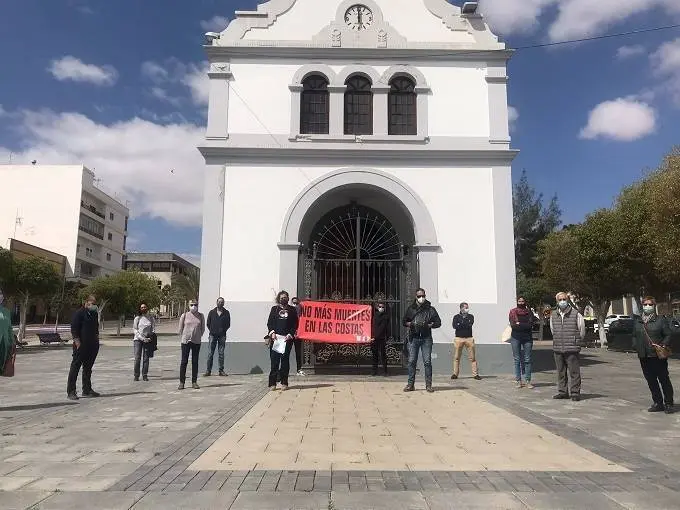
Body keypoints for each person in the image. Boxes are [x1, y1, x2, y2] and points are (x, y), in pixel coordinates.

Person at [632, 296, 674, 414]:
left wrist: (663, 345)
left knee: (663, 379)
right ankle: (658, 403)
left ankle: (669, 403)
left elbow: (668, 334)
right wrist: (635, 345)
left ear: (654, 306)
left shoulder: (660, 320)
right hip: (644, 355)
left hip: (657, 355)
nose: (647, 306)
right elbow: (634, 335)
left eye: (650, 304)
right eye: (645, 304)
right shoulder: (638, 321)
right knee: (651, 380)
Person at [402, 288, 442, 393]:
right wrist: (410, 324)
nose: (421, 298)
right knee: (411, 361)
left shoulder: (430, 309)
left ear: (425, 296)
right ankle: (410, 385)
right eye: (419, 296)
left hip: (426, 338)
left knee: (427, 361)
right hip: (414, 337)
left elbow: (438, 322)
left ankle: (428, 385)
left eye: (423, 296)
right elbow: (404, 321)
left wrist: (431, 325)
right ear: (416, 297)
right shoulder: (411, 308)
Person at [550, 292, 585, 401]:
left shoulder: (576, 314)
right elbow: (553, 330)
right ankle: (562, 392)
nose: (562, 301)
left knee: (574, 371)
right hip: (558, 347)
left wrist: (575, 341)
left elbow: (581, 331)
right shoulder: (553, 315)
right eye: (560, 299)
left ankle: (575, 393)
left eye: (564, 299)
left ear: (568, 300)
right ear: (557, 301)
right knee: (561, 372)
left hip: (572, 347)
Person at [67, 295, 101, 400]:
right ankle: (71, 391)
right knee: (75, 367)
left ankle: (87, 389)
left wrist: (96, 340)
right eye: (92, 303)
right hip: (81, 346)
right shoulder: (79, 313)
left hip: (92, 345)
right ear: (86, 302)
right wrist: (77, 342)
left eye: (95, 304)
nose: (94, 306)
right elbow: (74, 329)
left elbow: (96, 328)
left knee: (88, 368)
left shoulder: (94, 314)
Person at [266, 291, 299, 391]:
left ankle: (284, 382)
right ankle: (272, 383)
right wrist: (272, 333)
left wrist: (290, 334)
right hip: (276, 339)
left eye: (285, 297)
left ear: (288, 298)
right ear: (278, 299)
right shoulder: (274, 309)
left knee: (285, 361)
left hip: (286, 339)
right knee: (274, 361)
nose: (283, 299)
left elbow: (295, 324)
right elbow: (270, 323)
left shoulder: (292, 310)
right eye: (281, 297)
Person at [178, 299, 205, 390]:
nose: (194, 306)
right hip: (186, 342)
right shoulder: (184, 315)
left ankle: (194, 382)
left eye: (195, 304)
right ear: (188, 306)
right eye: (192, 304)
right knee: (184, 362)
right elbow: (180, 329)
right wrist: (186, 336)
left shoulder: (201, 316)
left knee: (195, 362)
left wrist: (197, 336)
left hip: (196, 342)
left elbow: (203, 329)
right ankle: (182, 382)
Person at [509, 296, 535, 389]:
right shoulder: (513, 311)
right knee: (517, 360)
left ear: (525, 301)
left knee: (527, 360)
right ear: (517, 302)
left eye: (522, 301)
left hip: (527, 338)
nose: (521, 302)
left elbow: (531, 325)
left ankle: (528, 381)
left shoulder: (529, 312)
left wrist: (520, 324)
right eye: (519, 301)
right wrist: (524, 325)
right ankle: (518, 381)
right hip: (515, 338)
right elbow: (513, 325)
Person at [451, 302, 481, 380]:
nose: (467, 309)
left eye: (467, 307)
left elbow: (470, 324)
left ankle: (475, 374)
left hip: (469, 338)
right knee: (457, 357)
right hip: (458, 338)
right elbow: (454, 326)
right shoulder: (456, 317)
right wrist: (463, 324)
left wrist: (460, 324)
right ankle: (455, 374)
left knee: (472, 357)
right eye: (466, 307)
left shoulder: (471, 316)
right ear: (461, 308)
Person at [205, 297, 231, 377]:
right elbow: (208, 323)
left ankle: (221, 370)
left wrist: (223, 330)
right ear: (216, 303)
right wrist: (213, 330)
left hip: (222, 336)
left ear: (224, 303)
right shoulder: (212, 312)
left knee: (221, 353)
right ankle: (208, 371)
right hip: (212, 335)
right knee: (210, 353)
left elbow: (228, 324)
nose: (220, 303)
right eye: (219, 302)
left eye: (222, 302)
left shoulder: (226, 313)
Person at [133, 303, 156, 382]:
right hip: (138, 340)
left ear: (147, 308)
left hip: (147, 340)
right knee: (137, 358)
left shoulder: (151, 318)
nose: (143, 308)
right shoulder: (137, 318)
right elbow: (135, 330)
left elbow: (153, 329)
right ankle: (136, 375)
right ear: (139, 309)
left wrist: (150, 337)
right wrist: (141, 338)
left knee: (146, 358)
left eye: (144, 307)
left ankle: (145, 375)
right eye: (142, 307)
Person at [371, 301, 390, 376]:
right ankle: (374, 371)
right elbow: (372, 326)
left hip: (382, 338)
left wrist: (387, 337)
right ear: (377, 307)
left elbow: (386, 328)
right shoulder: (374, 316)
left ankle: (385, 371)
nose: (381, 308)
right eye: (380, 307)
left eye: (382, 307)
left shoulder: (386, 316)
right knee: (374, 356)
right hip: (374, 339)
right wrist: (372, 336)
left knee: (383, 356)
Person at [0, 288, 14, 376]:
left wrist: (12, 342)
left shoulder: (6, 312)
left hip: (3, 344)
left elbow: (9, 328)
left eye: (1, 293)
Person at [291, 297, 305, 376]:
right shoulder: (289, 311)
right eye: (294, 303)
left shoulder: (301, 311)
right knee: (285, 353)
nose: (295, 305)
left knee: (298, 352)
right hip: (290, 335)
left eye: (297, 303)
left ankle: (299, 369)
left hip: (299, 334)